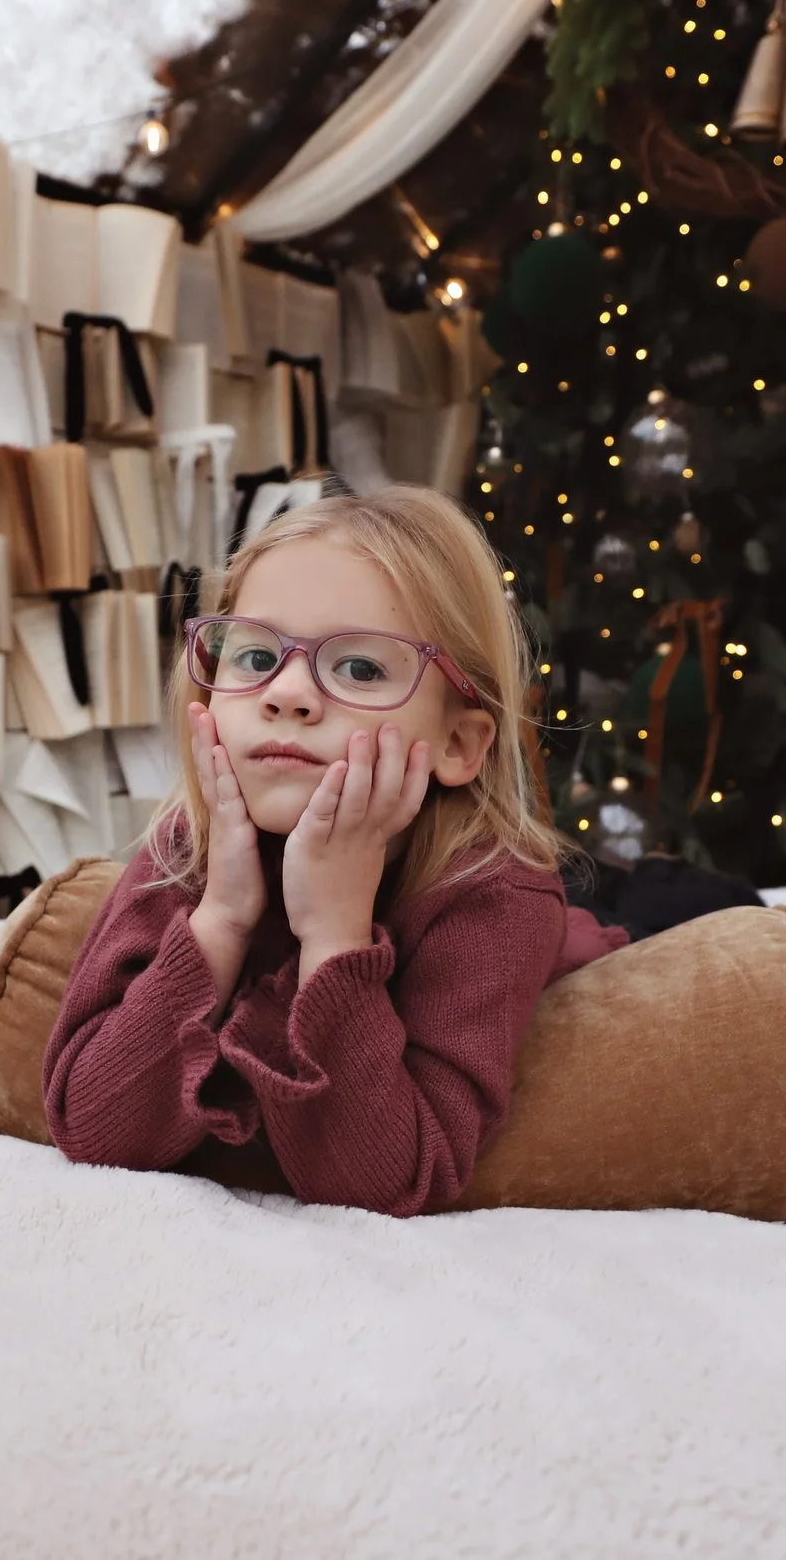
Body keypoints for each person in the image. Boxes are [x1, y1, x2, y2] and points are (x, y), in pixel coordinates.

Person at [42, 487, 627, 1217]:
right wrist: (220, 921)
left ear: (457, 744)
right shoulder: (189, 847)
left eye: (358, 669)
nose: (287, 693)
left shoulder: (496, 894)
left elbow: (385, 1182)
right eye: (255, 653)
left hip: (568, 931)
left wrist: (334, 935)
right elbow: (91, 1128)